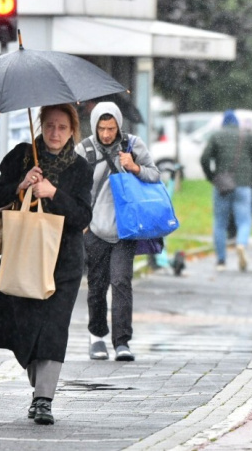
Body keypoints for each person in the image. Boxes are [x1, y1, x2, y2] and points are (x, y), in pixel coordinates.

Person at [0, 103, 93, 426]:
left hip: (65, 261)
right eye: (49, 127)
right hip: (25, 255)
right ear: (40, 126)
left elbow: (83, 217)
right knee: (25, 326)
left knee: (53, 329)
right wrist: (21, 184)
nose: (54, 133)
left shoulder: (81, 169)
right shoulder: (22, 156)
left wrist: (52, 192)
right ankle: (39, 385)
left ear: (73, 130)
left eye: (62, 127)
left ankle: (44, 399)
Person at [75, 102, 160, 363]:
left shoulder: (133, 145)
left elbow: (155, 176)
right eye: (102, 128)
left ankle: (122, 342)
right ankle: (97, 336)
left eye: (111, 128)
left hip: (126, 229)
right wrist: (83, 222)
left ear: (119, 126)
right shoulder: (85, 150)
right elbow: (73, 186)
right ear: (95, 126)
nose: (107, 134)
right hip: (95, 229)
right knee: (97, 285)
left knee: (121, 282)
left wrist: (134, 167)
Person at [200, 109, 252, 271]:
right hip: (244, 184)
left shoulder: (216, 136)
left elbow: (204, 158)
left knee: (220, 223)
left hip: (223, 185)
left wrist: (211, 176)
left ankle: (221, 261)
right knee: (244, 220)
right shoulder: (247, 136)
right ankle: (241, 244)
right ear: (237, 123)